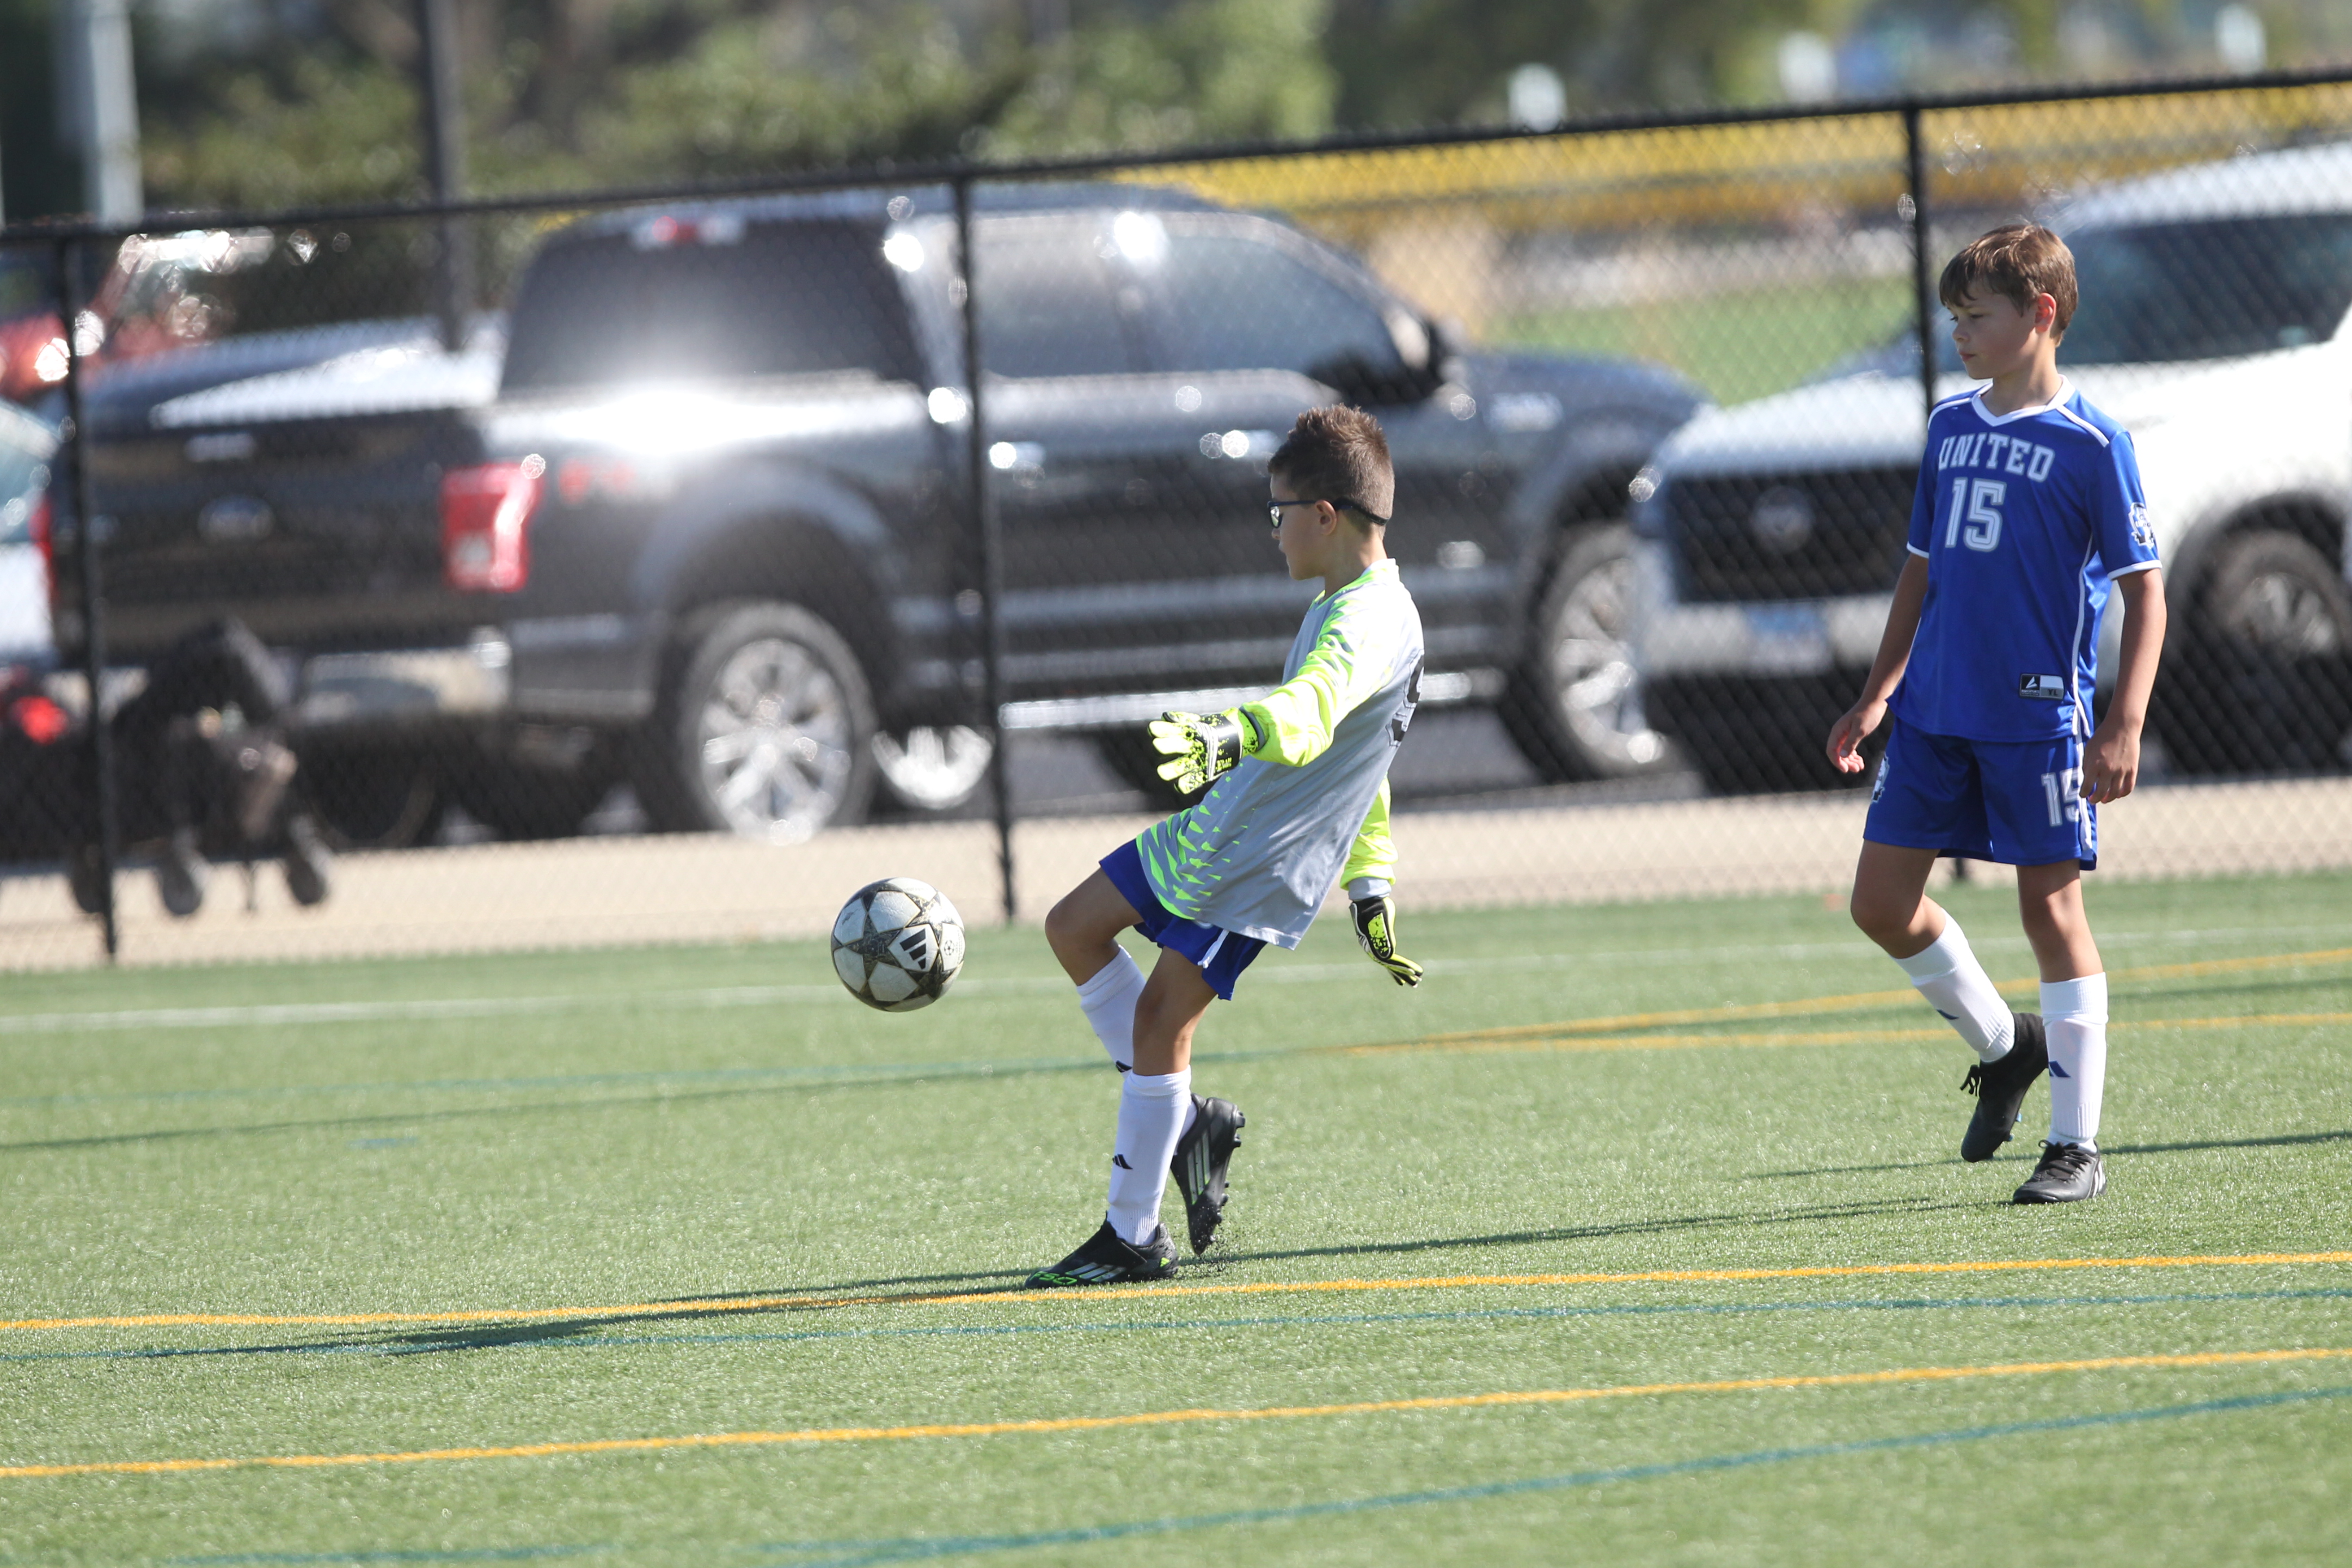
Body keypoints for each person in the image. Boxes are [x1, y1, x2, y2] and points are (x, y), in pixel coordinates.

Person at [1027, 406, 1428, 1286]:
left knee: (1159, 1021)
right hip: (1223, 828)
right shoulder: (1348, 603)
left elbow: (1313, 713)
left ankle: (1132, 1236)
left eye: (1279, 511)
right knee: (1073, 928)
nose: (1274, 530)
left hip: (1259, 859)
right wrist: (1371, 883)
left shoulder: (1368, 621)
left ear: (1325, 514)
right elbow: (1369, 761)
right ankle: (1184, 1124)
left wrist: (1232, 731)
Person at [1827, 223, 2165, 1205]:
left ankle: (2076, 1147)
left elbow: (2146, 593)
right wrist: (1878, 692)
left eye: (1977, 317)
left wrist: (2124, 724)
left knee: (2049, 911)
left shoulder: (2094, 444)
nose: (1960, 334)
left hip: (2037, 720)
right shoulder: (1950, 426)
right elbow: (1921, 571)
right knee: (1879, 906)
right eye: (1955, 318)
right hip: (1935, 713)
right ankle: (2006, 1045)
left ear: (2041, 315)